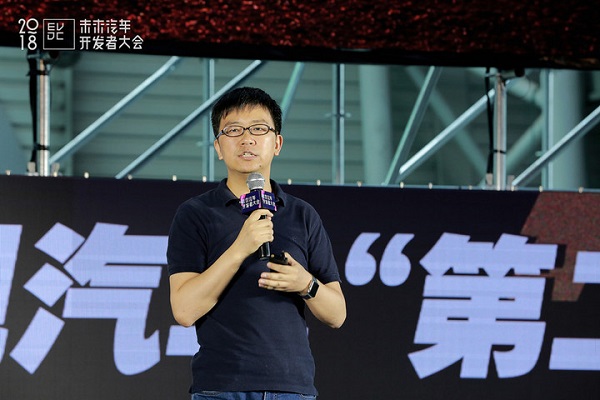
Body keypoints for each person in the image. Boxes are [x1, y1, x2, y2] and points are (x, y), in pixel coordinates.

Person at [167, 87, 347, 400]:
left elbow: (337, 314)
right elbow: (184, 310)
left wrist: (305, 283)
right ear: (218, 147)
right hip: (222, 387)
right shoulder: (196, 214)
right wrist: (240, 248)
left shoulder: (302, 215)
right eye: (234, 130)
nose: (247, 139)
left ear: (277, 143)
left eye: (259, 129)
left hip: (292, 388)